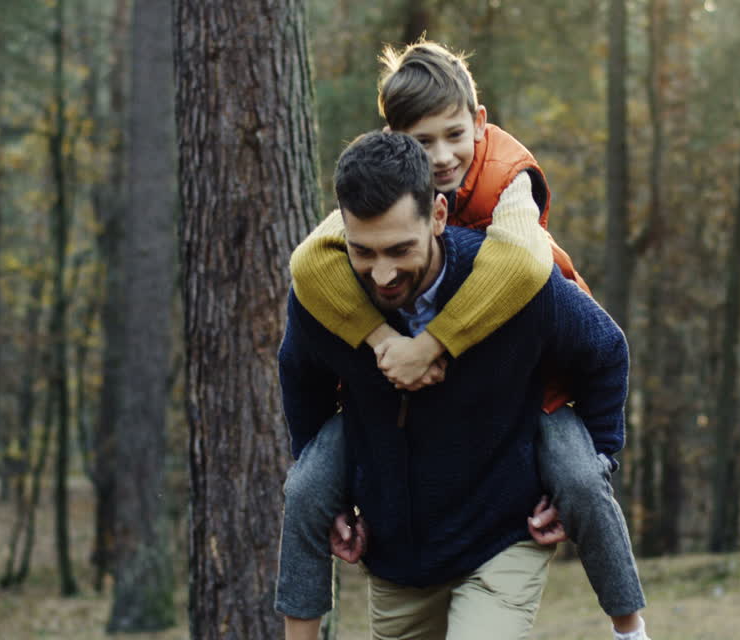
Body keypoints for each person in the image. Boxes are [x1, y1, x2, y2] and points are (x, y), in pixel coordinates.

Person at [277, 42, 650, 640]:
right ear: (396, 139)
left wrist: (432, 345)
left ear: (479, 122)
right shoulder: (378, 199)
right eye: (423, 142)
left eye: (455, 135)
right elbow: (310, 264)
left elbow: (527, 272)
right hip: (409, 511)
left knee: (581, 479)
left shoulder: (507, 182)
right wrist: (377, 337)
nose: (443, 156)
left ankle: (630, 627)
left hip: (540, 387)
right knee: (307, 484)